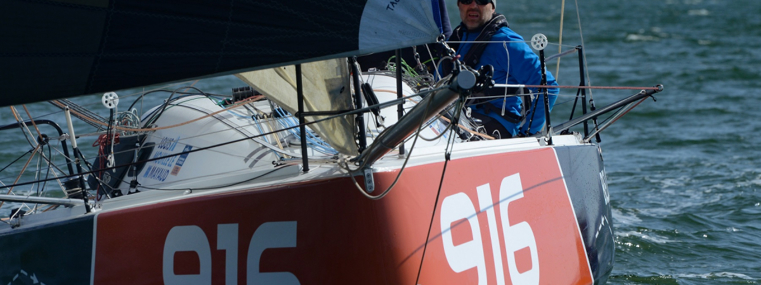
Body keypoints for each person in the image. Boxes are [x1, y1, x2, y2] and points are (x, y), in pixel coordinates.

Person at [448, 0, 559, 138]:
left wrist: (527, 135)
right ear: (459, 4)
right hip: (457, 115)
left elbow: (548, 86)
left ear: (493, 6)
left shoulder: (506, 42)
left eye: (481, 0)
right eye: (466, 0)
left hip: (495, 125)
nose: (473, 6)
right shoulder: (457, 38)